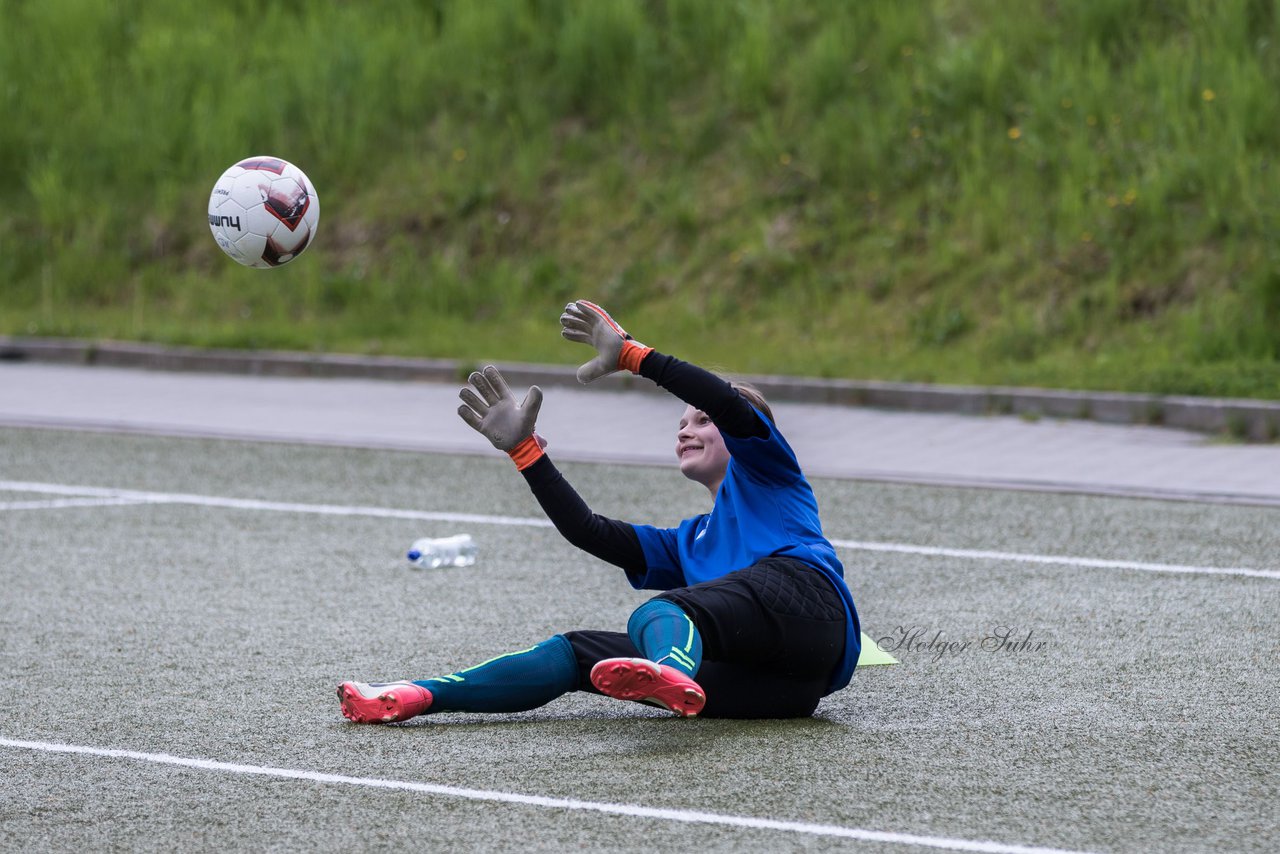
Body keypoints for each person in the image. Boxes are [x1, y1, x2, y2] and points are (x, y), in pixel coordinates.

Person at [337, 300, 860, 721]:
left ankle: (670, 667)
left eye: (701, 421)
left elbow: (724, 400)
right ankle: (417, 696)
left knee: (660, 614)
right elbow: (588, 530)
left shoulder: (770, 471)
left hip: (815, 615)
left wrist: (633, 355)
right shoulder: (690, 540)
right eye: (681, 423)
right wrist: (526, 453)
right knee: (579, 651)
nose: (686, 428)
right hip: (779, 691)